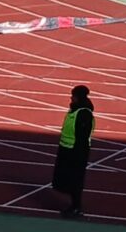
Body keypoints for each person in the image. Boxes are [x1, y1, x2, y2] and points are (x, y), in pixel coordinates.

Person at [52, 85, 95, 220]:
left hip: (76, 152)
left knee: (75, 180)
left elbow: (82, 136)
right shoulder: (74, 110)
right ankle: (73, 206)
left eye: (73, 95)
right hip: (67, 150)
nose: (71, 97)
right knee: (68, 180)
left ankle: (76, 207)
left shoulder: (83, 113)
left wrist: (77, 153)